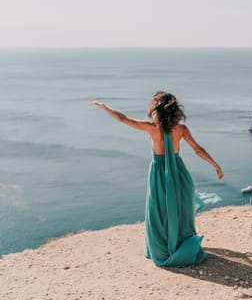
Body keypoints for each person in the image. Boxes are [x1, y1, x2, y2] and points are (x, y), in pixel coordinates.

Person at [89, 91, 223, 267]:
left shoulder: (152, 128)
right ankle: (180, 242)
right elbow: (198, 149)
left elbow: (123, 119)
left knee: (158, 210)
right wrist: (215, 165)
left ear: (156, 109)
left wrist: (105, 107)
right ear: (175, 110)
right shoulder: (181, 129)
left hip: (160, 173)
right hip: (179, 172)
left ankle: (162, 247)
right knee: (179, 209)